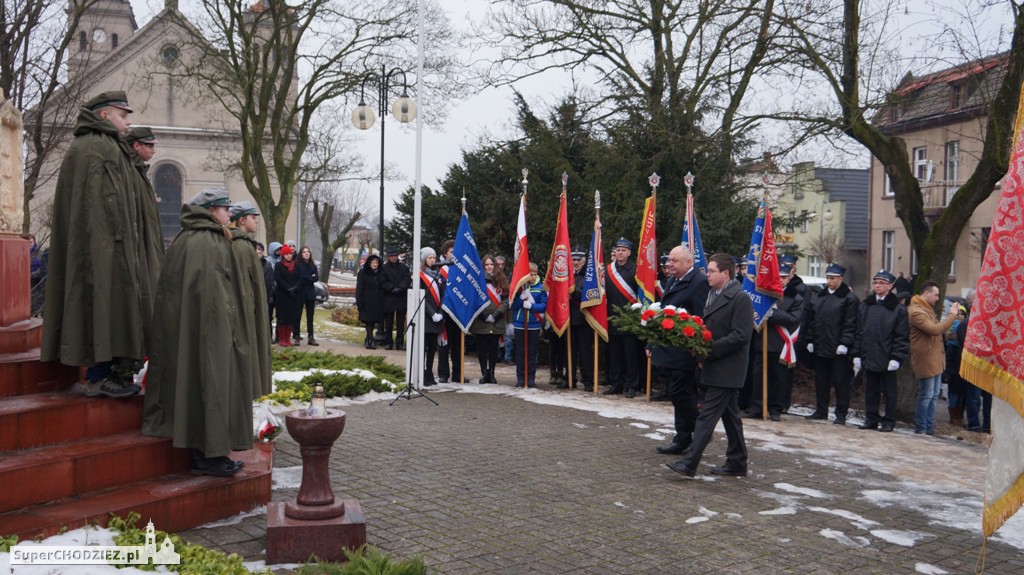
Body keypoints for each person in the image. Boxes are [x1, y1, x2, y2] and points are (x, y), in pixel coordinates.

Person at [41, 90, 162, 399]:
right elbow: (97, 207)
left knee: (112, 306)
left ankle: (110, 373)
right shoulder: (94, 148)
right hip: (100, 248)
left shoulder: (108, 147)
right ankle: (98, 376)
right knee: (100, 303)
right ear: (104, 115)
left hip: (114, 246)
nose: (128, 121)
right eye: (123, 115)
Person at [142, 188, 250, 477]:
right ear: (211, 210)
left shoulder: (190, 237)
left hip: (197, 327)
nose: (230, 213)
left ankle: (210, 452)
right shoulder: (206, 240)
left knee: (202, 385)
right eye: (225, 209)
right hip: (209, 329)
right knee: (210, 386)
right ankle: (207, 455)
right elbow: (214, 294)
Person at [666, 254, 753, 478]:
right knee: (731, 417)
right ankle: (737, 462)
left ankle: (689, 463)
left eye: (712, 270)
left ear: (726, 273)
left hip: (728, 368)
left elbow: (741, 335)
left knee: (706, 417)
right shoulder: (714, 295)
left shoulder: (740, 297)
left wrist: (709, 350)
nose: (708, 274)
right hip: (716, 365)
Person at [650, 246, 709, 455]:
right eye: (669, 261)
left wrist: (700, 351)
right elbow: (665, 311)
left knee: (680, 394)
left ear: (689, 262)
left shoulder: (699, 282)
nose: (670, 264)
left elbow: (702, 319)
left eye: (675, 261)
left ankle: (698, 436)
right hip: (669, 349)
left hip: (685, 351)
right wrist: (652, 342)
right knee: (678, 395)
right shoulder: (675, 280)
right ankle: (682, 438)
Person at [747, 255, 806, 421]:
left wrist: (772, 313)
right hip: (762, 343)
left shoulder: (796, 298)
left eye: (784, 277)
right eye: (778, 277)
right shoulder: (764, 296)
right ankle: (757, 406)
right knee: (758, 377)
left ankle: (775, 409)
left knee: (779, 379)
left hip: (781, 346)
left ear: (789, 277)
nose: (781, 281)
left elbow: (793, 319)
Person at [852, 270, 909, 432]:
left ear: (890, 286)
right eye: (876, 282)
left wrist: (896, 357)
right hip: (869, 354)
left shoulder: (898, 310)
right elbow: (859, 331)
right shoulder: (866, 306)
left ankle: (889, 420)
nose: (877, 285)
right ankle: (871, 418)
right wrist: (856, 353)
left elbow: (901, 336)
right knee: (871, 390)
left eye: (882, 283)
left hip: (887, 356)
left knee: (889, 391)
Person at [802, 263, 859, 425]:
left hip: (838, 348)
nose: (829, 281)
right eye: (828, 278)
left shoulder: (849, 299)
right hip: (821, 345)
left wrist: (845, 343)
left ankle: (841, 413)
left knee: (841, 382)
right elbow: (813, 320)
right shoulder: (820, 297)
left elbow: (850, 324)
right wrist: (811, 340)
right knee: (821, 381)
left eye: (833, 278)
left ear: (840, 279)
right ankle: (821, 410)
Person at [228, 201, 272, 399]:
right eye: (252, 217)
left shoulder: (244, 244)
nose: (256, 221)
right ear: (241, 220)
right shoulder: (240, 246)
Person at [909, 281, 958, 435]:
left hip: (935, 359)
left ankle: (929, 428)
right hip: (926, 360)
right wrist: (952, 315)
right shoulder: (916, 311)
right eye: (936, 295)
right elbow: (935, 330)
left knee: (933, 395)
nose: (937, 298)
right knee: (926, 395)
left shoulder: (927, 309)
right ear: (927, 293)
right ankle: (921, 428)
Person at [125, 126, 164, 298]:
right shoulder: (130, 171)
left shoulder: (139, 172)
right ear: (136, 146)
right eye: (149, 146)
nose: (153, 151)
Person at [605, 238, 641, 397]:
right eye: (618, 250)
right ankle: (616, 383)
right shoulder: (608, 270)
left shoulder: (636, 270)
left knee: (631, 355)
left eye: (623, 250)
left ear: (629, 252)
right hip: (611, 318)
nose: (620, 252)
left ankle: (632, 385)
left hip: (629, 319)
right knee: (614, 354)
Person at [470, 255, 509, 384]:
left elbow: (505, 300)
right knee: (482, 349)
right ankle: (483, 373)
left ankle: (492, 373)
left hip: (496, 321)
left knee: (493, 349)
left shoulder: (502, 280)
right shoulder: (477, 280)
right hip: (481, 320)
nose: (489, 267)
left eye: (491, 264)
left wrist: (496, 315)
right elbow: (474, 300)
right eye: (486, 265)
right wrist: (484, 316)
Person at [510, 262, 547, 388]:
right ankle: (520, 378)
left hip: (533, 324)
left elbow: (543, 306)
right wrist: (520, 300)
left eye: (534, 274)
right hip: (520, 323)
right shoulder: (519, 287)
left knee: (531, 352)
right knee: (520, 352)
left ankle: (531, 378)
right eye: (530, 274)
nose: (532, 277)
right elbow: (513, 306)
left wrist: (532, 306)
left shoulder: (541, 287)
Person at [437, 240, 463, 383]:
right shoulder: (441, 271)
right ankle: (443, 374)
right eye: (451, 252)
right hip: (444, 312)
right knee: (444, 344)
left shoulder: (461, 270)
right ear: (445, 253)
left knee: (458, 345)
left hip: (458, 313)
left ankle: (458, 373)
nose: (454, 255)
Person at [569, 248, 595, 391]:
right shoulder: (566, 276)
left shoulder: (588, 276)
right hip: (568, 319)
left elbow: (587, 295)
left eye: (579, 260)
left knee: (585, 353)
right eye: (573, 260)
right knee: (570, 352)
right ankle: (570, 379)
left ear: (584, 261)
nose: (576, 262)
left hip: (584, 319)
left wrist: (572, 290)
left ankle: (588, 381)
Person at [419, 247, 445, 386]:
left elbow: (443, 295)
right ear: (424, 259)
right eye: (429, 258)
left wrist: (440, 312)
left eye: (434, 258)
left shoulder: (438, 276)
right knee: (424, 346)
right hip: (426, 316)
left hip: (437, 316)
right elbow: (421, 297)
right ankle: (422, 372)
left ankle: (430, 372)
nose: (432, 260)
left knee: (432, 347)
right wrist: (432, 313)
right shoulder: (420, 276)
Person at [381, 246, 412, 350]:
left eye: (395, 255)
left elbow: (407, 279)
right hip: (389, 297)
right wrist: (391, 288)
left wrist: (400, 288)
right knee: (388, 322)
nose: (393, 257)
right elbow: (382, 281)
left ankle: (400, 342)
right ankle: (388, 341)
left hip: (401, 297)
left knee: (400, 322)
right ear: (388, 257)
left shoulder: (404, 267)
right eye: (391, 256)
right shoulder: (384, 268)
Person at [274, 245, 301, 347]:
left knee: (290, 317)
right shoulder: (278, 265)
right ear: (283, 255)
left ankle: (288, 338)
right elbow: (278, 279)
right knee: (282, 318)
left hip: (293, 295)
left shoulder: (296, 265)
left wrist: (295, 288)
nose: (289, 256)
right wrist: (287, 288)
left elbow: (300, 278)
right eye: (286, 254)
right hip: (282, 295)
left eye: (290, 254)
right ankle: (282, 339)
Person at [355, 254, 384, 349]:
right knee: (367, 321)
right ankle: (371, 339)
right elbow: (359, 287)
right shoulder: (363, 272)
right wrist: (359, 301)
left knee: (372, 322)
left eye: (376, 263)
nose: (375, 264)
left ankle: (368, 338)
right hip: (366, 300)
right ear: (369, 263)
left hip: (377, 301)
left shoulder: (380, 273)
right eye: (373, 262)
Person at [293, 246, 320, 346]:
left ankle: (311, 336)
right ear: (301, 254)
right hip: (300, 293)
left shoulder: (313, 265)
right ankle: (296, 336)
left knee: (310, 317)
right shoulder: (297, 264)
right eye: (304, 252)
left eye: (308, 252)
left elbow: (316, 278)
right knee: (297, 315)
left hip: (310, 293)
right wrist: (309, 277)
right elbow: (298, 277)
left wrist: (305, 277)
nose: (307, 253)